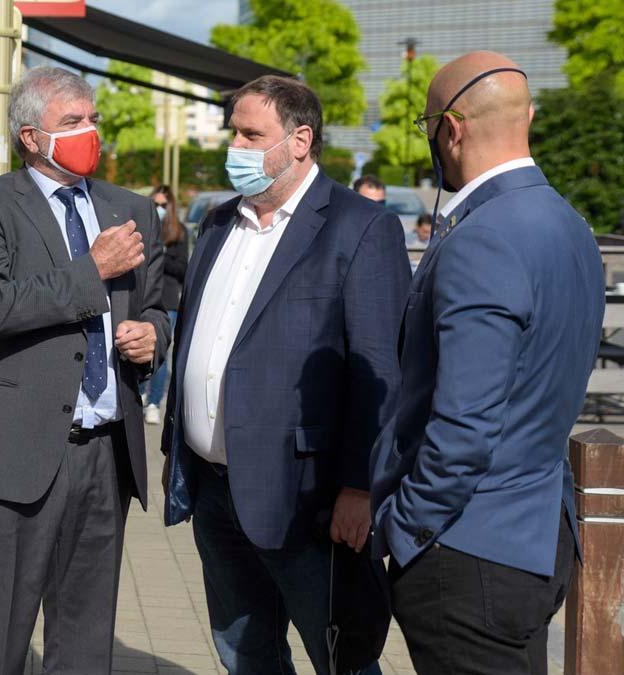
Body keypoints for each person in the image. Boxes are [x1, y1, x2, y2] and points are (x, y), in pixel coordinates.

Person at [161, 75, 408, 675]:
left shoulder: (359, 227)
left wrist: (359, 487)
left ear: (301, 140)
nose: (235, 147)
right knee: (244, 652)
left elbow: (378, 367)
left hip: (307, 496)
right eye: (234, 132)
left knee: (340, 656)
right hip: (216, 487)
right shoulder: (218, 224)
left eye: (252, 134)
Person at [0, 66, 171, 674]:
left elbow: (161, 303)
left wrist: (153, 335)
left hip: (105, 450)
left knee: (88, 635)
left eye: (93, 119)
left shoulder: (130, 208)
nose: (90, 132)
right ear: (32, 137)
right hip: (15, 450)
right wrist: (92, 269)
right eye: (73, 122)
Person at [369, 51, 606, 675]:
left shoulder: (483, 235)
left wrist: (405, 529)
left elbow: (464, 424)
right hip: (534, 535)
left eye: (427, 129)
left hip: (467, 551)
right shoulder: (569, 224)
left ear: (450, 129)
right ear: (526, 118)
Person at [141, 184, 188, 425]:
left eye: (162, 205)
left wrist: (161, 254)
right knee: (137, 352)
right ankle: (138, 393)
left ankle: (153, 402)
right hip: (140, 299)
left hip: (168, 301)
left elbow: (183, 269)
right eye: (155, 204)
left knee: (159, 355)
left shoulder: (178, 232)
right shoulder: (141, 226)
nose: (158, 209)